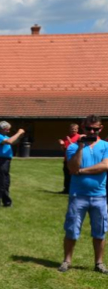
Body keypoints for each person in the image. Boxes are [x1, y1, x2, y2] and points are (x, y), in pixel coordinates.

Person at [58, 115, 108, 274]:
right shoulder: (73, 147)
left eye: (96, 129)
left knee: (100, 232)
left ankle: (99, 263)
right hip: (78, 196)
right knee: (72, 229)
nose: (92, 131)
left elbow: (105, 166)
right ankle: (67, 260)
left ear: (101, 129)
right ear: (83, 128)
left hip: (100, 196)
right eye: (89, 128)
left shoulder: (106, 146)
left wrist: (82, 171)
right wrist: (80, 147)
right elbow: (72, 168)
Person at [0, 121, 25, 207]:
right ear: (1, 129)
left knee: (5, 181)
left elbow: (13, 141)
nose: (8, 131)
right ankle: (5, 202)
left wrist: (20, 137)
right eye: (7, 129)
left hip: (5, 161)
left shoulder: (4, 136)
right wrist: (18, 132)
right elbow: (9, 141)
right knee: (2, 181)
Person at [58, 123, 81, 194]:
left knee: (75, 175)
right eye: (72, 129)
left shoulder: (79, 137)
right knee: (66, 175)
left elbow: (77, 148)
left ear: (77, 130)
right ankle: (66, 190)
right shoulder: (66, 138)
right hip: (67, 159)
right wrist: (62, 145)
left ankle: (76, 190)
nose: (73, 130)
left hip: (75, 159)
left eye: (75, 129)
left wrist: (70, 142)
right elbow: (64, 149)